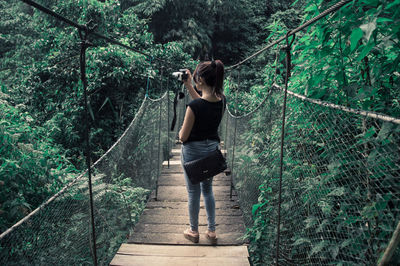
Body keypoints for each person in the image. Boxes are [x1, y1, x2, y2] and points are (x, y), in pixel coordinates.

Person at [179, 60, 225, 244]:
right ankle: (212, 231)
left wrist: (181, 133)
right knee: (208, 190)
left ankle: (193, 231)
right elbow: (203, 102)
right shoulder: (222, 100)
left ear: (202, 80)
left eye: (197, 77)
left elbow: (183, 137)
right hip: (212, 152)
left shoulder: (193, 107)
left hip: (193, 154)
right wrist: (189, 84)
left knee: (193, 192)